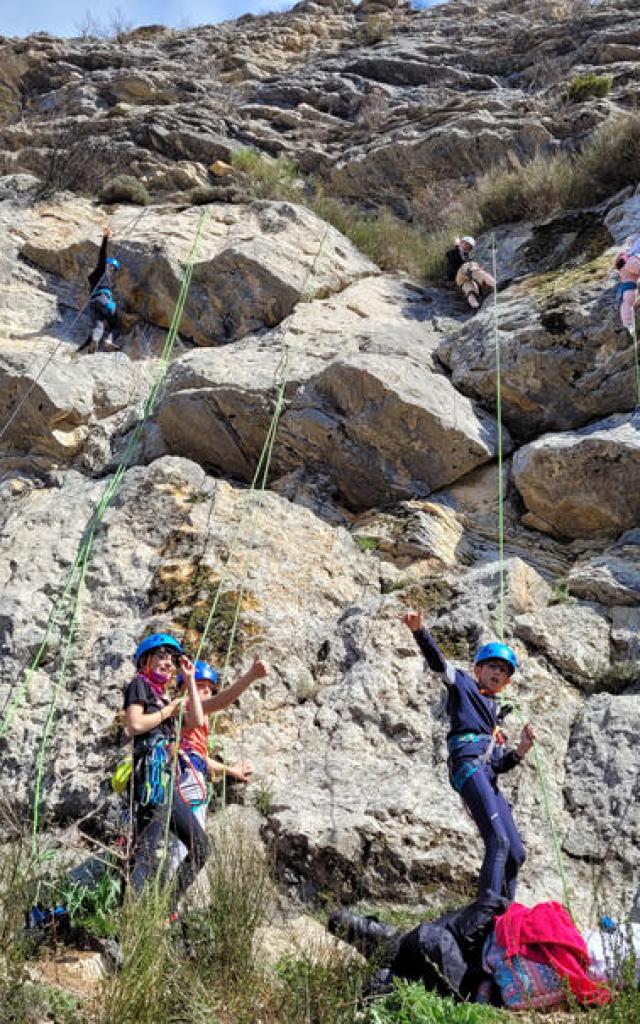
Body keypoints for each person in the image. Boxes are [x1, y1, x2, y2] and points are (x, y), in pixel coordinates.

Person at [402, 611, 536, 901]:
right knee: (497, 841)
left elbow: (499, 764)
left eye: (503, 670)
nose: (497, 672)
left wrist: (522, 749)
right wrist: (419, 631)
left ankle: (506, 917)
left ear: (507, 682)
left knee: (515, 852)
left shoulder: (494, 719)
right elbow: (438, 663)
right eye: (492, 666)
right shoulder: (463, 684)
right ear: (478, 670)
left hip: (487, 775)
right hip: (468, 767)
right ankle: (486, 915)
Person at [123, 632, 210, 901]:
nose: (168, 663)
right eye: (161, 656)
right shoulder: (139, 685)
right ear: (145, 661)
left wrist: (191, 680)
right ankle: (130, 915)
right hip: (149, 781)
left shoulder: (164, 697)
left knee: (201, 846)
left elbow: (196, 719)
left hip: (166, 781)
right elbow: (134, 725)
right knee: (144, 853)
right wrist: (167, 712)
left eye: (171, 659)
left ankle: (165, 906)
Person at [168, 658, 259, 875]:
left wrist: (230, 770)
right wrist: (251, 675)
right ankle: (170, 902)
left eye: (209, 689)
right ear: (184, 687)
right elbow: (221, 702)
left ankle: (165, 900)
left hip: (189, 769)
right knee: (187, 840)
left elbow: (200, 755)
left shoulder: (186, 717)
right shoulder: (186, 705)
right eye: (200, 687)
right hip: (187, 775)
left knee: (180, 840)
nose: (206, 693)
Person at [79, 225, 122, 352]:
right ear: (109, 265)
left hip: (92, 303)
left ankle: (96, 340)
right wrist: (105, 238)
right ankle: (109, 341)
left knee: (99, 326)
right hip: (103, 299)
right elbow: (102, 255)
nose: (113, 271)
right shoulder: (103, 269)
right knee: (117, 325)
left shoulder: (93, 276)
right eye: (113, 268)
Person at [446, 236, 496, 312]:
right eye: (465, 244)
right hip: (459, 275)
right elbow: (453, 256)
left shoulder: (467, 256)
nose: (467, 247)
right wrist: (457, 246)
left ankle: (476, 306)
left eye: (469, 246)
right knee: (473, 267)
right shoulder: (453, 253)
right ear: (461, 243)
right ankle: (495, 284)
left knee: (470, 289)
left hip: (463, 279)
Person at [613, 249, 640, 336]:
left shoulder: (621, 270)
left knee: (626, 305)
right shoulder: (630, 262)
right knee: (630, 302)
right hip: (633, 287)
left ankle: (629, 324)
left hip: (625, 289)